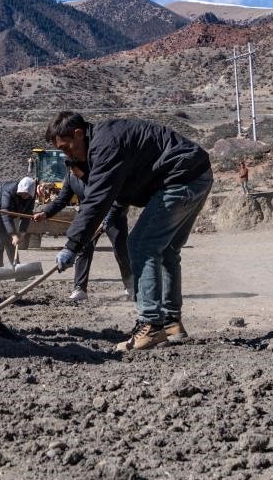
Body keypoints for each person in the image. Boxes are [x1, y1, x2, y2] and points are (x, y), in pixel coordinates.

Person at [46, 111, 213, 352]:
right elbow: (119, 189)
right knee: (167, 250)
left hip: (181, 178)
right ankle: (171, 323)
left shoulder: (105, 145)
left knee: (141, 245)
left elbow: (96, 200)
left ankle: (151, 325)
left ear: (78, 134)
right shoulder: (105, 143)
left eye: (66, 147)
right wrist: (109, 216)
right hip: (197, 173)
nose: (66, 154)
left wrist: (72, 246)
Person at [33, 160, 132, 302]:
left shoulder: (100, 173)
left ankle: (130, 286)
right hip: (88, 217)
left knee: (121, 250)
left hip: (113, 215)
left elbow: (118, 197)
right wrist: (46, 213)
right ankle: (79, 289)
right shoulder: (71, 177)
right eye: (70, 170)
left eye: (75, 170)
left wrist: (108, 217)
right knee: (83, 249)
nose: (72, 173)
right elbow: (61, 199)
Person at [0, 177, 36, 269]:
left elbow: (27, 214)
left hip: (8, 212)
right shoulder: (9, 191)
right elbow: (5, 212)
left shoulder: (31, 196)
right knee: (0, 240)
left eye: (27, 194)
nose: (24, 196)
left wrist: (22, 232)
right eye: (23, 193)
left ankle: (17, 268)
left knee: (10, 241)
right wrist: (14, 235)